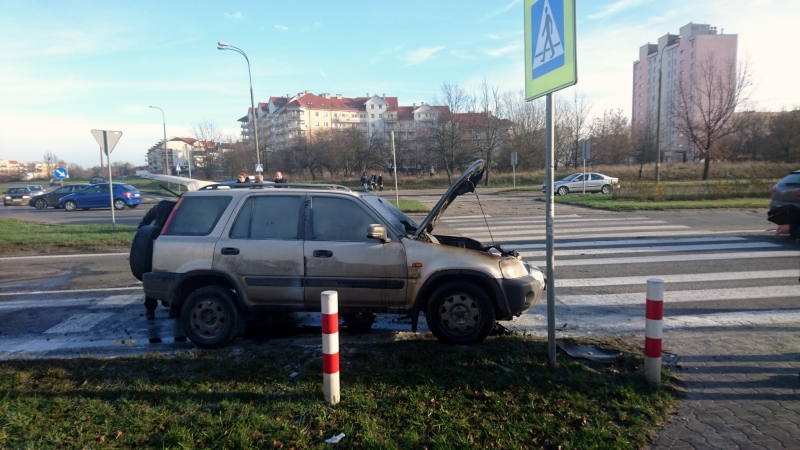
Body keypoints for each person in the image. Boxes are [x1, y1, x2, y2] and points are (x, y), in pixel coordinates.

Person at [138, 199, 178, 320]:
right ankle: (170, 305)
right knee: (173, 276)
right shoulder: (187, 205)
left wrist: (142, 231)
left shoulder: (163, 205)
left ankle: (150, 309)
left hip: (157, 241)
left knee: (155, 275)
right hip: (176, 244)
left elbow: (147, 218)